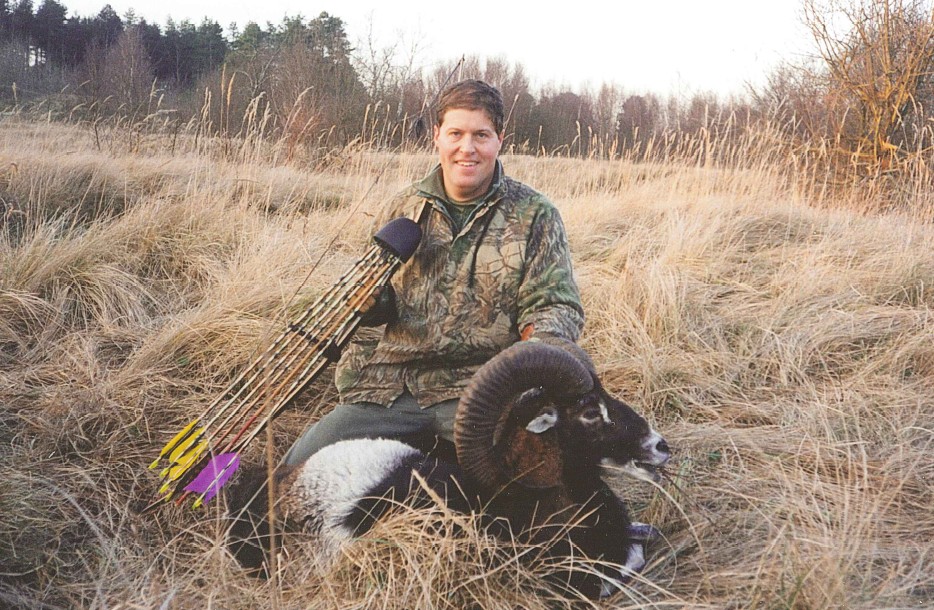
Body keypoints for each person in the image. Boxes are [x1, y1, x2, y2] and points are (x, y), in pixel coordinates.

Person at [283, 79, 584, 466]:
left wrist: (535, 351)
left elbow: (555, 305)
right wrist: (371, 302)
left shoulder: (535, 214)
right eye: (456, 134)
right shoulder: (402, 207)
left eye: (481, 135)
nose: (467, 148)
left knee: (545, 472)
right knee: (299, 468)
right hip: (391, 388)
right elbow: (381, 300)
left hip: (483, 392)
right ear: (437, 136)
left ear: (500, 140)